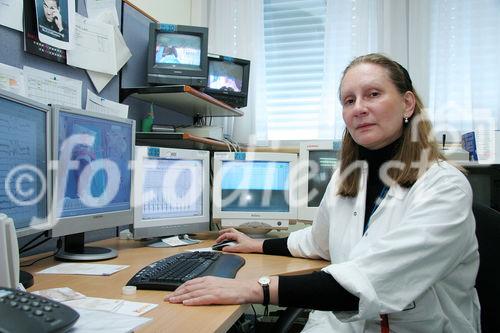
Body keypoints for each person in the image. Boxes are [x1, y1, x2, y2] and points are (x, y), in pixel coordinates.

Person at [165, 53, 480, 332]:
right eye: (349, 100)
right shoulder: (348, 179)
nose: (359, 108)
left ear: (407, 103)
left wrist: (253, 288)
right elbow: (318, 242)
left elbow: (365, 283)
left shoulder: (444, 187)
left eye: (373, 94)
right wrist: (257, 244)